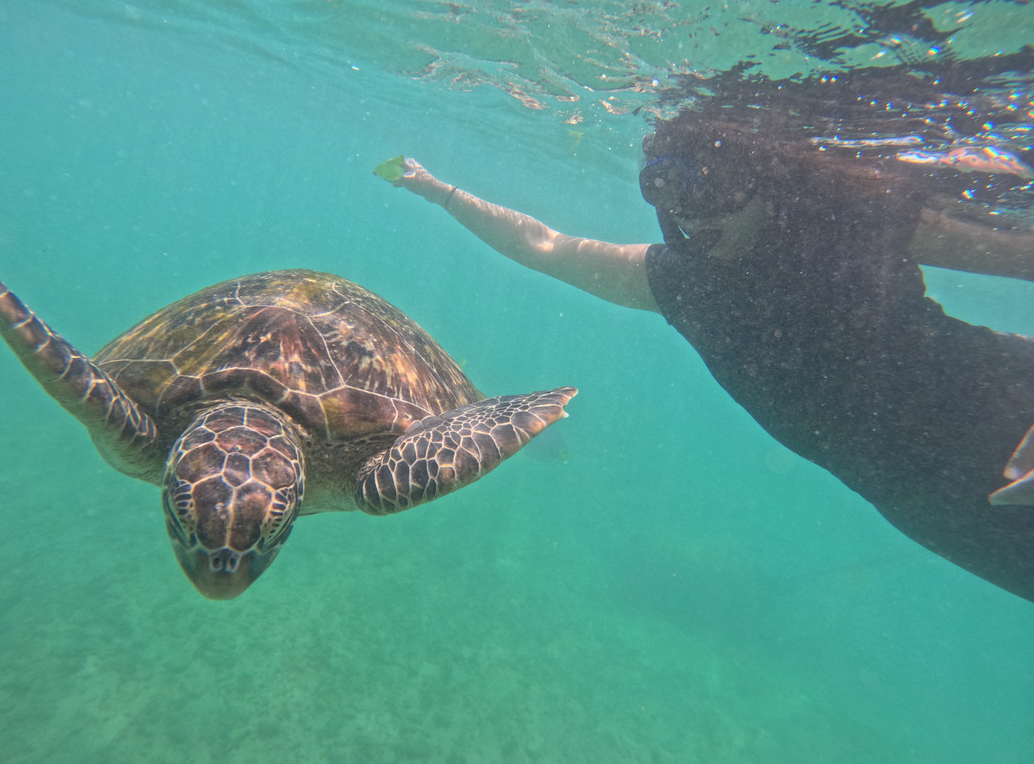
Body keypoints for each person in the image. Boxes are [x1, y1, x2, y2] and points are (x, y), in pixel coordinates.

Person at [382, 111, 1034, 603]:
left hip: (1009, 415)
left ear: (762, 180)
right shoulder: (679, 283)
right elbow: (545, 246)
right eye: (668, 189)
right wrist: (442, 193)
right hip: (948, 511)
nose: (691, 214)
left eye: (713, 186)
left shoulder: (849, 223)